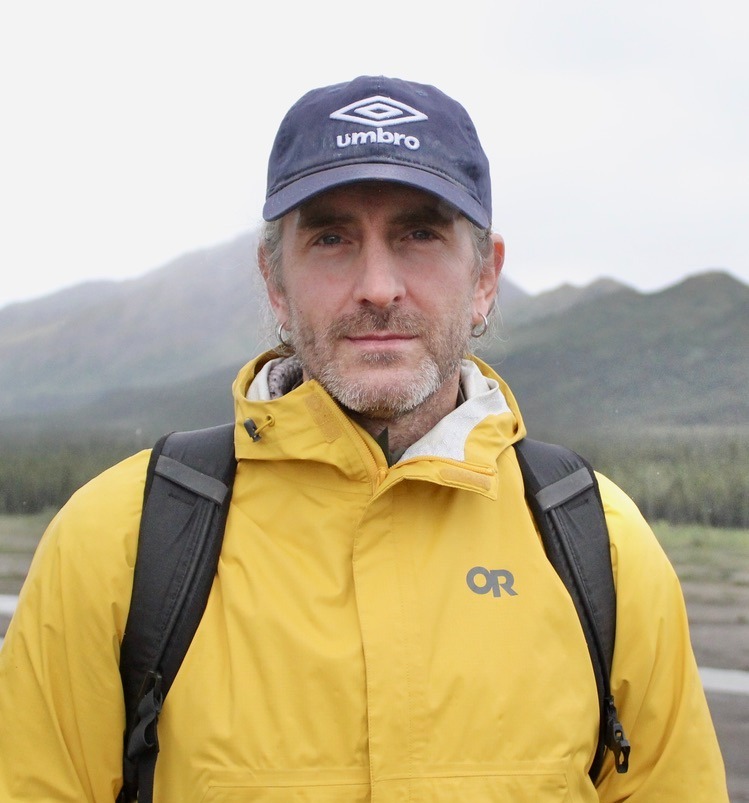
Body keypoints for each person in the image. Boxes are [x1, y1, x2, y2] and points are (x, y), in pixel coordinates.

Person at [0, 75, 728, 801]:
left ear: (484, 278)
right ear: (275, 282)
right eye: (330, 237)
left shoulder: (599, 545)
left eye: (418, 233)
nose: (378, 285)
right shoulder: (117, 542)